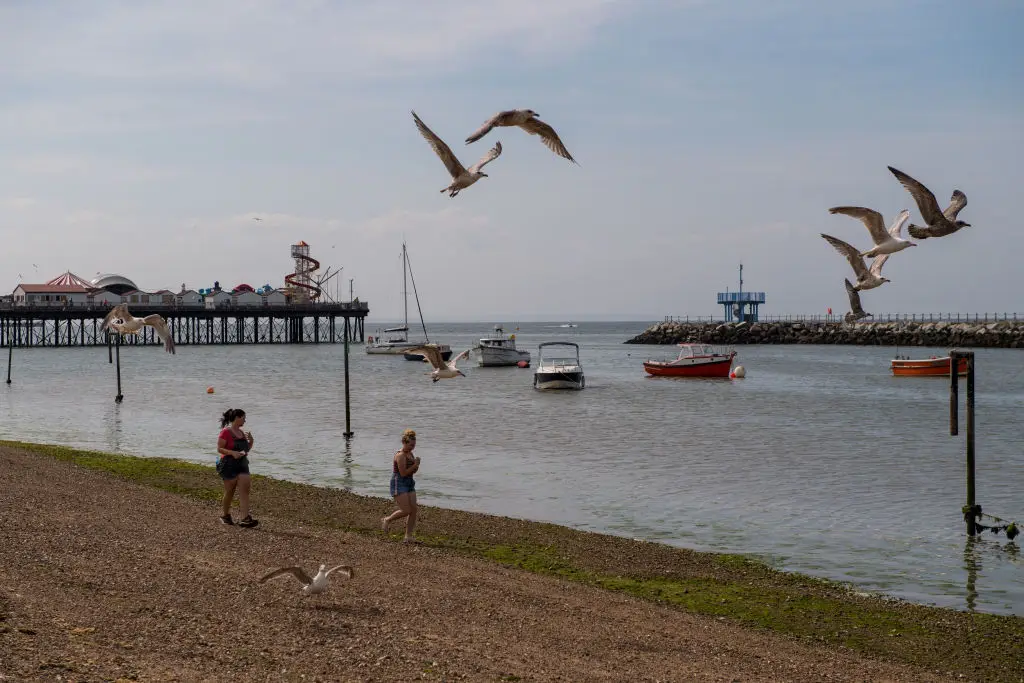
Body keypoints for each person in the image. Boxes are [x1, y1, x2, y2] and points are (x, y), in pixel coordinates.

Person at [216, 408, 258, 528]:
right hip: (228, 465)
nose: (245, 420)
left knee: (245, 491)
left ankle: (245, 518)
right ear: (237, 418)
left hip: (243, 464)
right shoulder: (225, 432)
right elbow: (219, 449)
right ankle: (225, 515)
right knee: (230, 492)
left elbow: (246, 450)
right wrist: (232, 453)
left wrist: (251, 441)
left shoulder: (242, 433)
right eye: (243, 418)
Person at [381, 428, 420, 543]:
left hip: (409, 482)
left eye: (414, 445)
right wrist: (415, 465)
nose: (412, 447)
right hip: (399, 482)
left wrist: (416, 466)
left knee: (413, 510)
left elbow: (412, 471)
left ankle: (408, 536)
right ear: (404, 442)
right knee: (406, 510)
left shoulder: (410, 454)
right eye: (411, 445)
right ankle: (387, 519)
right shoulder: (400, 455)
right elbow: (403, 473)